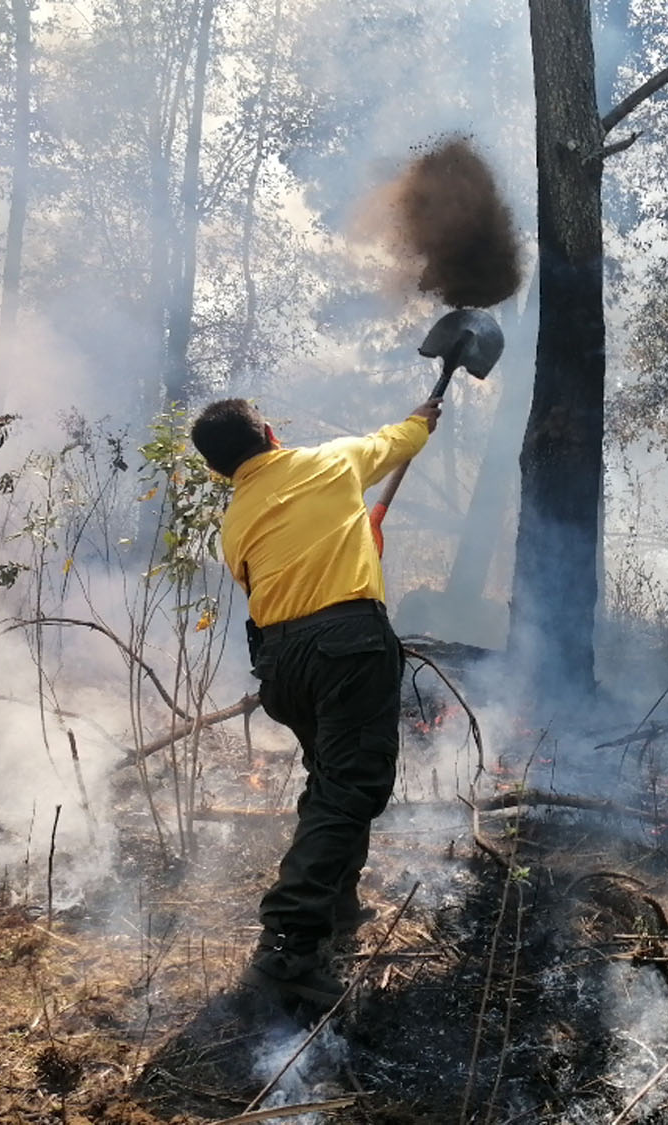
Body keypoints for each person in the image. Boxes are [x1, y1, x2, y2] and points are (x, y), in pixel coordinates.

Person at [190, 395, 441, 1016]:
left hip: (281, 663)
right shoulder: (330, 463)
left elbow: (277, 580)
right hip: (347, 645)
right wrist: (423, 418)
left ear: (220, 471)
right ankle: (287, 945)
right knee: (351, 786)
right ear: (272, 432)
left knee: (332, 778)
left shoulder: (235, 521)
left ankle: (336, 905)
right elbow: (396, 443)